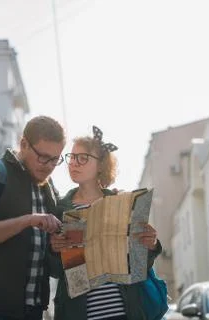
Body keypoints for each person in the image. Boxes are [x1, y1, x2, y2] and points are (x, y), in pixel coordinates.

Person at [0, 116, 66, 320]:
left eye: (55, 159)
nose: (49, 166)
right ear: (24, 144)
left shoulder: (48, 188)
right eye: (43, 157)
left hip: (33, 310)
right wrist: (28, 220)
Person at [50, 126, 162, 320]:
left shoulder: (122, 204)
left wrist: (150, 244)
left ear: (100, 165)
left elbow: (138, 265)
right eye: (71, 157)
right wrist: (54, 249)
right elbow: (53, 270)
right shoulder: (60, 209)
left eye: (82, 158)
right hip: (80, 314)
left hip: (126, 312)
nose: (73, 163)